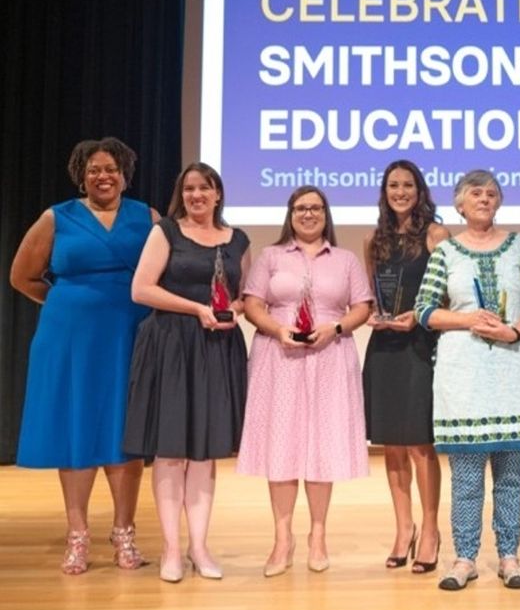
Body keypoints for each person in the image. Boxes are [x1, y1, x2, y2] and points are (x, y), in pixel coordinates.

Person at [10, 137, 155, 574]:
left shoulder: (147, 216)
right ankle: (77, 535)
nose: (103, 176)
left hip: (129, 333)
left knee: (123, 432)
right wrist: (67, 303)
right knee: (76, 431)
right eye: (93, 169)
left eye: (110, 168)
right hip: (70, 338)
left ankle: (124, 534)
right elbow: (23, 277)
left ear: (125, 174)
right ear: (82, 175)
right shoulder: (57, 217)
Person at [414, 170, 520, 591]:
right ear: (459, 204)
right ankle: (465, 557)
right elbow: (424, 310)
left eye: (492, 193)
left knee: (511, 475)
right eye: (476, 193)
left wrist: (512, 330)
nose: (485, 199)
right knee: (467, 476)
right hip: (464, 371)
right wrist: (468, 319)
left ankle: (509, 556)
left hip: (511, 366)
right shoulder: (446, 252)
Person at [122, 162, 250, 583]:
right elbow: (141, 289)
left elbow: (242, 296)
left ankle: (199, 546)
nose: (197, 195)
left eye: (205, 187)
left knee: (204, 452)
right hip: (171, 345)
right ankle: (171, 551)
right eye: (190, 188)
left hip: (216, 348)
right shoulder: (166, 233)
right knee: (171, 450)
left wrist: (234, 310)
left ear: (218, 194)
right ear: (183, 194)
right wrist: (196, 308)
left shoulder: (239, 240)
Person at [237, 186, 372, 576]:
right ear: (290, 214)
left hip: (330, 356)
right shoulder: (271, 256)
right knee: (281, 447)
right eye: (301, 208)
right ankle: (282, 539)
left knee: (320, 446)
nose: (308, 214)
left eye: (315, 208)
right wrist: (277, 330)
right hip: (278, 357)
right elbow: (252, 303)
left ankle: (317, 535)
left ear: (326, 214)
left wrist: (337, 327)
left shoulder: (345, 259)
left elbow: (362, 306)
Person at [362, 161, 449, 573]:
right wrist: (374, 315)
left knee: (419, 444)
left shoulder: (436, 235)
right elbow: (372, 295)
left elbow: (449, 294)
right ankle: (404, 528)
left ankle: (430, 530)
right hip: (384, 348)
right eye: (393, 185)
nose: (400, 192)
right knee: (391, 445)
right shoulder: (373, 240)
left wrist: (418, 314)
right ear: (384, 190)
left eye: (407, 185)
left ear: (420, 190)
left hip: (419, 345)